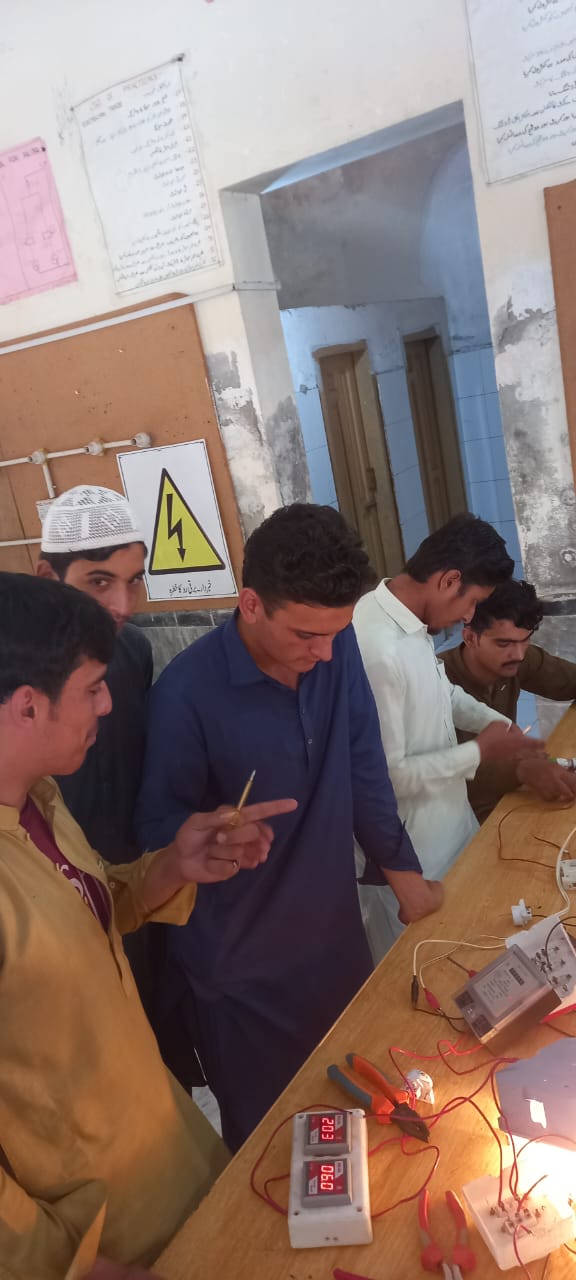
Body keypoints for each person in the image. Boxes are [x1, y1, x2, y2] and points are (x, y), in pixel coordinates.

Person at [0, 571, 296, 1280]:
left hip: (170, 1155)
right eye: (93, 688)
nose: (108, 704)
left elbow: (86, 910)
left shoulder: (39, 799)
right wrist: (75, 1265)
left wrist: (171, 866)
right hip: (97, 1232)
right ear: (28, 705)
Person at [136, 503, 443, 1153]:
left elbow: (363, 764)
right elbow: (157, 834)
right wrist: (206, 839)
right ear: (250, 604)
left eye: (335, 633)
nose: (324, 652)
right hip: (242, 974)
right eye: (305, 635)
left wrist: (405, 877)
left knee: (365, 1129)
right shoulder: (186, 694)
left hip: (335, 945)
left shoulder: (335, 645)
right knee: (276, 1152)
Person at [353, 515, 544, 958]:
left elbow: (444, 692)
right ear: (449, 580)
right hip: (412, 862)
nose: (469, 617)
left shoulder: (411, 622)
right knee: (430, 972)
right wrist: (479, 751)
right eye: (473, 602)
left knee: (483, 959)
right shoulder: (376, 647)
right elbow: (387, 779)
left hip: (455, 829)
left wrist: (497, 725)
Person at [37, 484, 152, 864]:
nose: (123, 606)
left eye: (133, 580)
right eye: (99, 582)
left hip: (136, 871)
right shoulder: (14, 669)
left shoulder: (135, 649)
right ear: (48, 577)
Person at [442, 577, 576, 819]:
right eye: (504, 643)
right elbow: (442, 774)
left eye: (525, 641)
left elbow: (569, 680)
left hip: (509, 798)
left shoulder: (517, 659)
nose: (518, 654)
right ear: (470, 638)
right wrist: (521, 770)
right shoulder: (436, 682)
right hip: (458, 816)